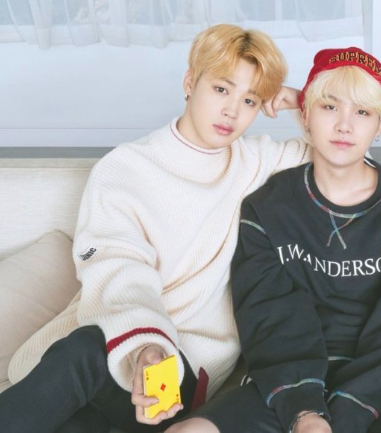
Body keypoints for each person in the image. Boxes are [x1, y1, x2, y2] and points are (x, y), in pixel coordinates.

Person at [0, 24, 311, 433]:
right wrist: (146, 343)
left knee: (89, 355)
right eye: (221, 89)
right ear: (189, 82)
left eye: (250, 99)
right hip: (119, 343)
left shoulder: (256, 163)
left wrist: (304, 102)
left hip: (178, 379)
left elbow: (344, 162)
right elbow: (117, 263)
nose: (232, 111)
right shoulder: (125, 168)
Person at [168, 47, 381, 433]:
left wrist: (347, 413)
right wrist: (304, 412)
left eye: (362, 112)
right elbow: (271, 317)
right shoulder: (267, 206)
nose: (344, 125)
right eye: (329, 107)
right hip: (294, 377)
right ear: (305, 115)